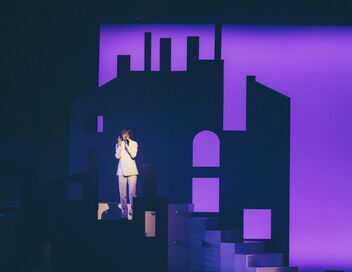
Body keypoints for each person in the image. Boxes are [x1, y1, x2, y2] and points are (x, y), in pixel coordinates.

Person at [115, 128, 139, 219]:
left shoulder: (134, 143)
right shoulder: (118, 145)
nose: (125, 135)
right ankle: (124, 211)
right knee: (122, 194)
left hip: (132, 171)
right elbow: (117, 156)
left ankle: (133, 209)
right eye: (123, 134)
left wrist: (127, 146)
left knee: (132, 194)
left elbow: (133, 155)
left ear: (129, 135)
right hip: (121, 171)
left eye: (126, 134)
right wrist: (120, 146)